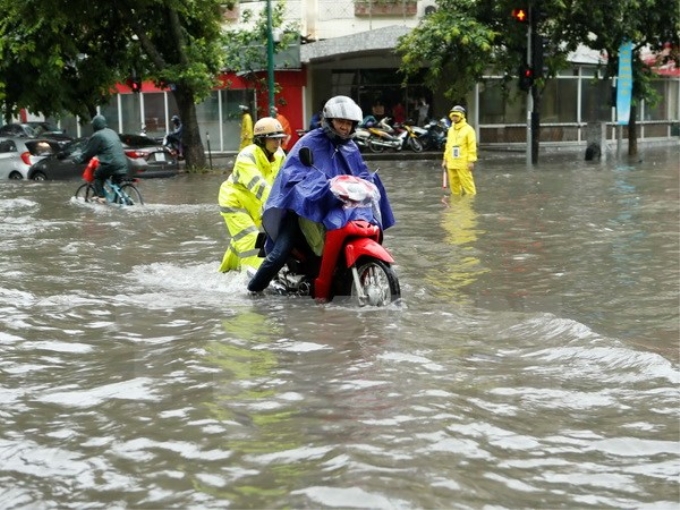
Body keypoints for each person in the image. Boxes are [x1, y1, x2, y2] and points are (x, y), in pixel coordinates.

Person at [247, 95, 395, 294]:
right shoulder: (309, 142)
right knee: (278, 254)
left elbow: (360, 173)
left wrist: (369, 183)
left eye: (349, 123)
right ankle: (252, 290)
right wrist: (318, 187)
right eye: (341, 122)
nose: (344, 127)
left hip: (340, 208)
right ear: (329, 121)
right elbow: (292, 174)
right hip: (304, 209)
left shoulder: (350, 147)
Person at [218, 117, 287, 272]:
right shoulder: (246, 157)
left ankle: (225, 272)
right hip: (235, 205)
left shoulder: (280, 155)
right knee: (253, 240)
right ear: (261, 140)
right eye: (273, 139)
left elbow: (287, 180)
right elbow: (259, 187)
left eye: (279, 138)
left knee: (240, 241)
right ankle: (255, 277)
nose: (277, 142)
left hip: (254, 206)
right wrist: (281, 204)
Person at [75, 114, 129, 204]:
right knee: (115, 184)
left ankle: (101, 198)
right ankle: (117, 201)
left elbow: (89, 152)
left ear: (95, 125)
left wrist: (79, 160)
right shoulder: (112, 132)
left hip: (110, 164)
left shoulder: (97, 135)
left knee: (98, 176)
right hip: (123, 163)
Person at [442, 105, 478, 197]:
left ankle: (470, 206)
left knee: (468, 186)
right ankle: (456, 207)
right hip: (451, 163)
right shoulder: (450, 130)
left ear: (462, 116)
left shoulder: (469, 130)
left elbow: (472, 146)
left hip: (463, 163)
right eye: (452, 116)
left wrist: (471, 161)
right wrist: (445, 160)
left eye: (456, 116)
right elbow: (448, 146)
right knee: (454, 188)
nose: (454, 118)